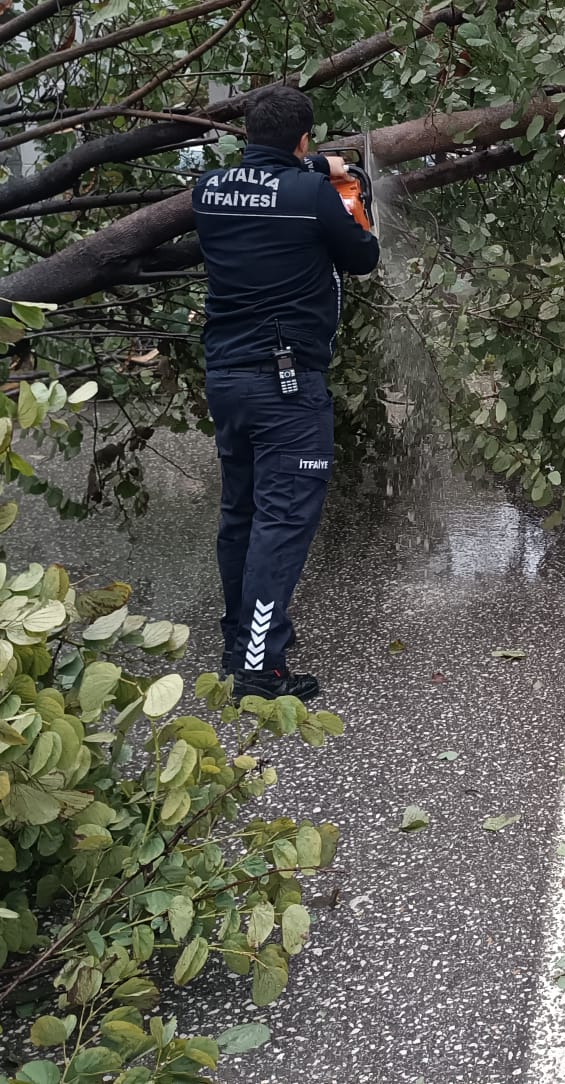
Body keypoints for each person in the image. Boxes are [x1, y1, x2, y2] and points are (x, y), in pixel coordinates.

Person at [193, 86, 379, 701]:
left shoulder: (209, 189)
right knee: (283, 521)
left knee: (241, 513)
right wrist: (351, 194)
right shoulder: (313, 196)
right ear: (303, 139)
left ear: (247, 133)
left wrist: (310, 169)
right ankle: (259, 666)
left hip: (227, 379)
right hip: (287, 385)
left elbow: (266, 179)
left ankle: (236, 638)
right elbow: (362, 257)